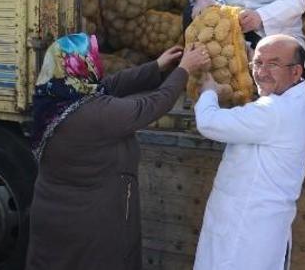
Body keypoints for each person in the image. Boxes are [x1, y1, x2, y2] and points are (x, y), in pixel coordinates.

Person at [25, 33, 210, 270]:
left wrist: (157, 66)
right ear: (82, 65)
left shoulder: (54, 98)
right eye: (92, 56)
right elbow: (151, 106)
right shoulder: (93, 113)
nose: (98, 60)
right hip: (87, 225)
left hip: (55, 218)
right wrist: (184, 70)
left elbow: (111, 85)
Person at [193, 34, 305, 270]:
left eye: (273, 64)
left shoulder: (275, 111)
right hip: (254, 225)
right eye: (258, 63)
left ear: (296, 72)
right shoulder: (299, 101)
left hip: (247, 229)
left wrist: (208, 90)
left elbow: (208, 122)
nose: (262, 71)